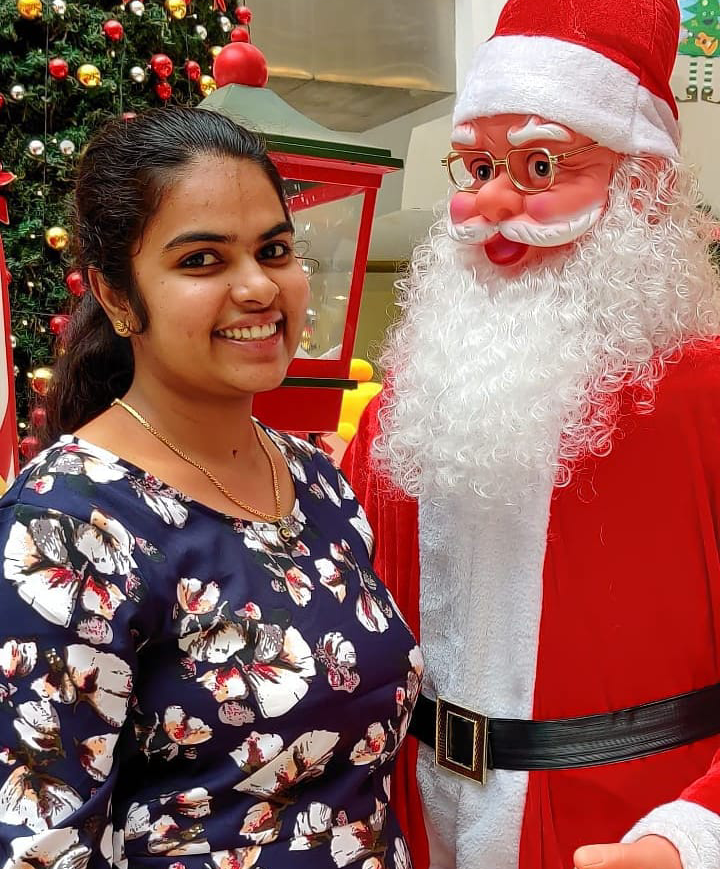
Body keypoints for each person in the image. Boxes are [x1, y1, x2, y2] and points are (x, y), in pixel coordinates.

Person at [342, 0, 720, 867]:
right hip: (408, 823)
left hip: (621, 833)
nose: (492, 202)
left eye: (540, 165)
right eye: (478, 166)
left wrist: (691, 837)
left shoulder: (704, 395)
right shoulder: (414, 397)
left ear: (641, 186)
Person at [0, 107, 421, 869]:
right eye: (202, 260)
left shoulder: (317, 478)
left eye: (275, 250)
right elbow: (40, 844)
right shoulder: (67, 522)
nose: (259, 287)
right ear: (118, 296)